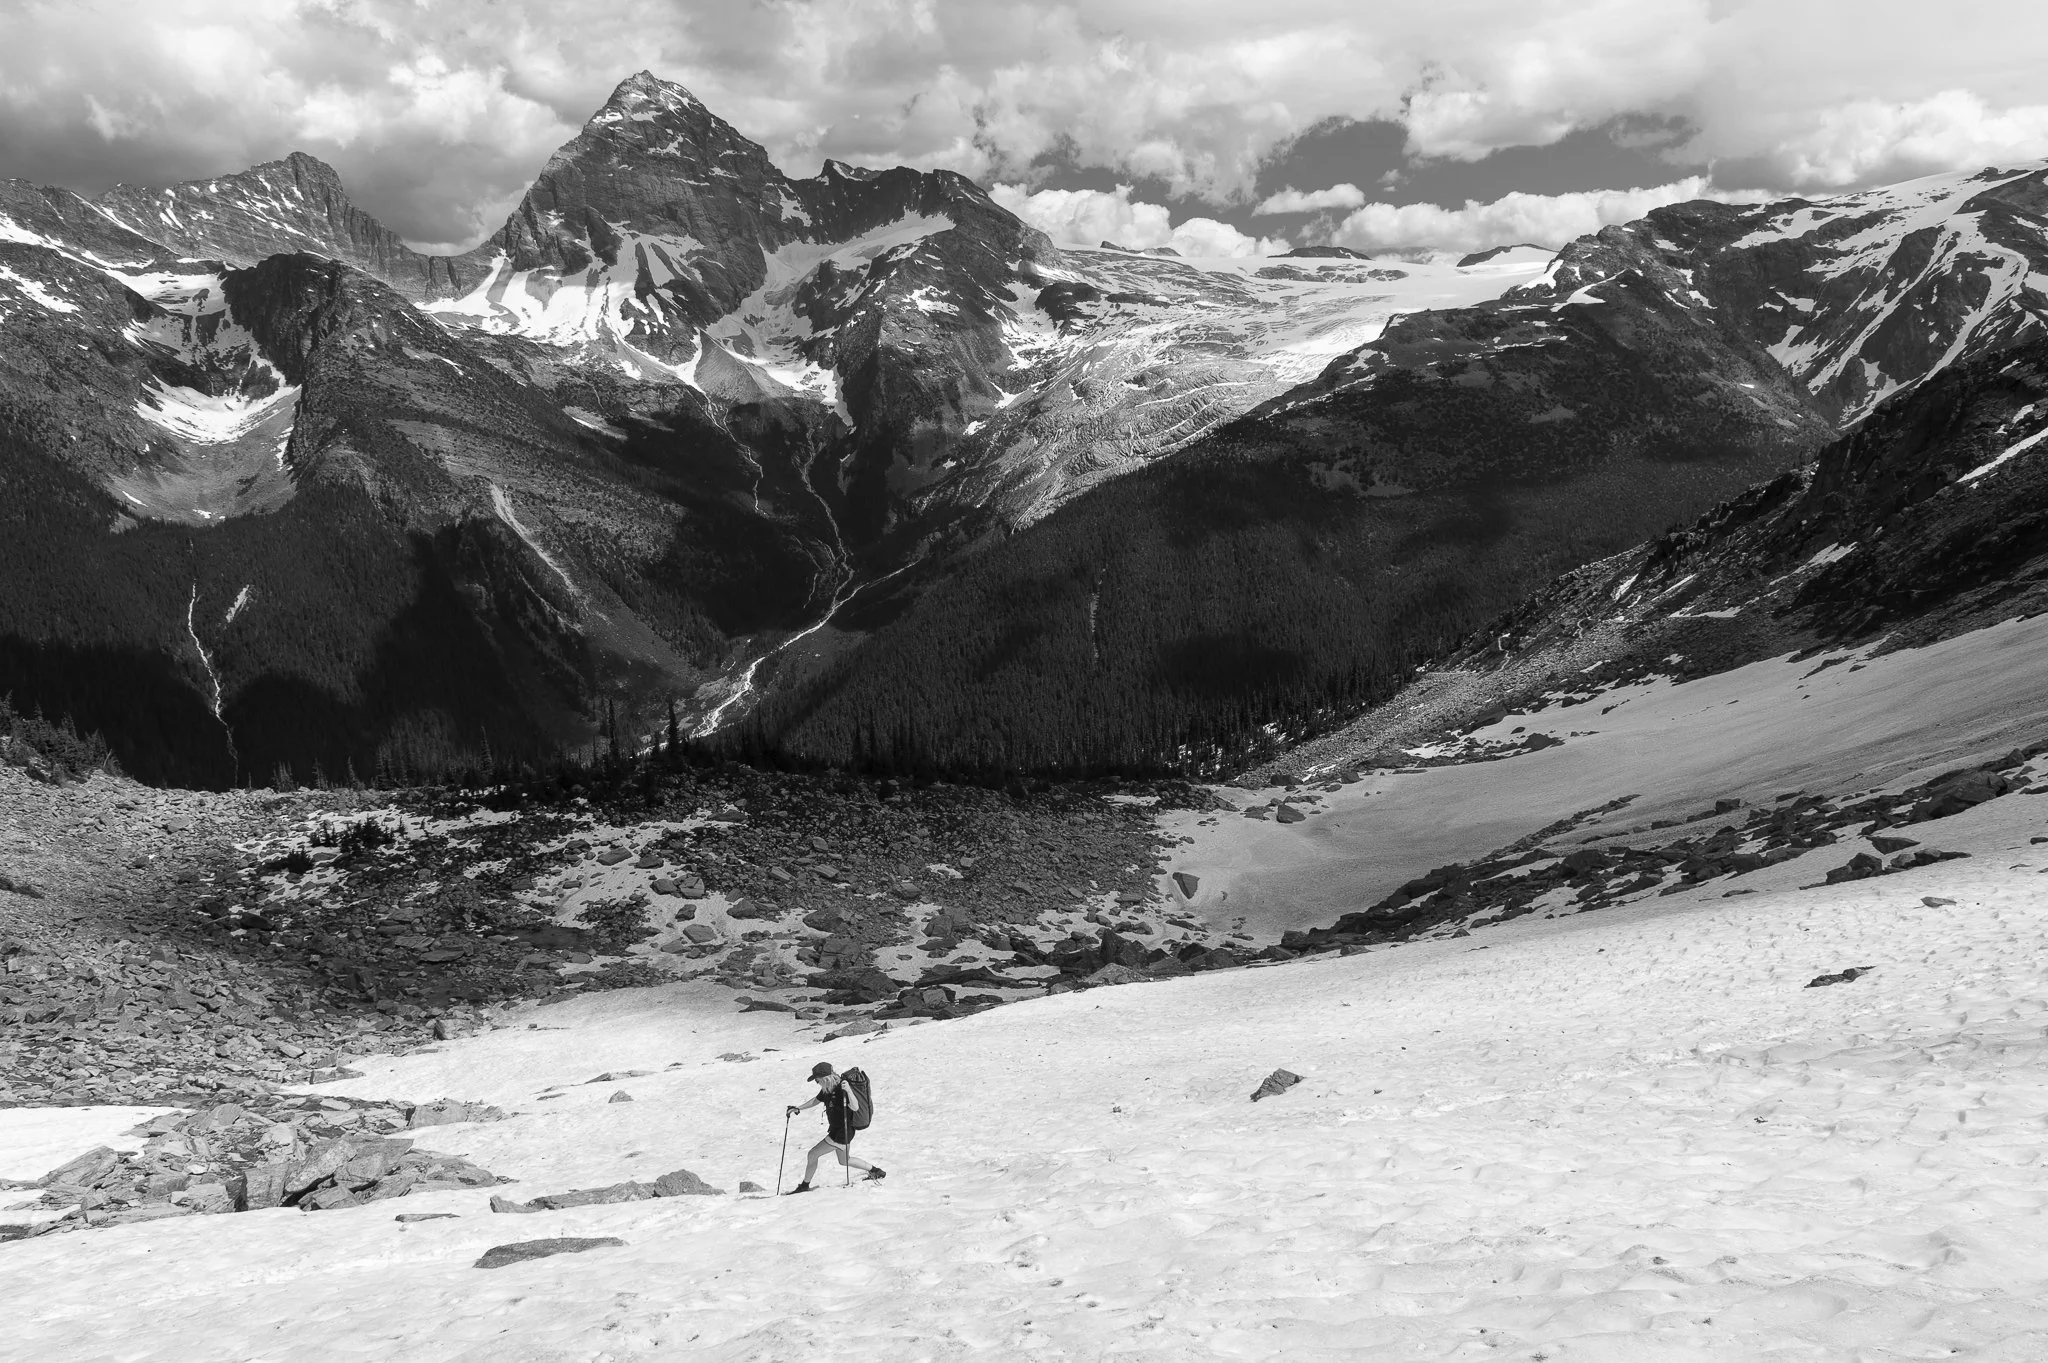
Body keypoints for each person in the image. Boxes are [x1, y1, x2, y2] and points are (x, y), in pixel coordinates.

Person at [785, 1061, 885, 1193]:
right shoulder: (827, 1088)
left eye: (817, 1080)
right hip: (840, 1131)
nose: (817, 1083)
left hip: (842, 1133)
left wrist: (848, 1090)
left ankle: (804, 1185)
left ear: (825, 1078)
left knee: (813, 1154)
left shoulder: (842, 1088)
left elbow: (855, 1107)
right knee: (844, 1161)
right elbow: (816, 1100)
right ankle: (876, 1171)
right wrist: (798, 1108)